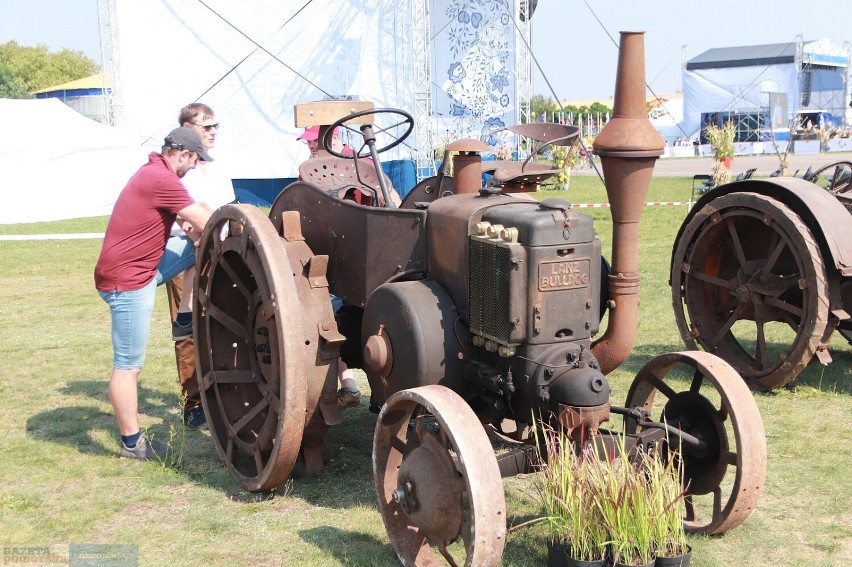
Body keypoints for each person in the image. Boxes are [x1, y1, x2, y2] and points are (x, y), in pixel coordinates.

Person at [95, 127, 214, 460]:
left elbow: (197, 216)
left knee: (197, 245)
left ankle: (185, 317)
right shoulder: (161, 179)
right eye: (194, 160)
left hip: (144, 266)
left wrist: (200, 224)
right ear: (182, 154)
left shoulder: (154, 171)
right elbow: (204, 219)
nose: (193, 166)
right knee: (128, 367)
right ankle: (132, 444)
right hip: (129, 281)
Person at [167, 103, 235, 429]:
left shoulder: (217, 168)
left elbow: (230, 209)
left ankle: (220, 392)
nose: (213, 132)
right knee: (189, 325)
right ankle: (194, 402)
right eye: (206, 126)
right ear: (187, 128)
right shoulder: (178, 169)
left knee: (219, 322)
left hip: (219, 252)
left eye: (215, 126)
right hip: (185, 252)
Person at [298, 125, 363, 409]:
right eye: (309, 142)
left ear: (334, 138)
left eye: (314, 141)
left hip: (339, 261)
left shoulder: (362, 167)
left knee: (323, 321)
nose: (310, 146)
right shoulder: (309, 172)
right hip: (337, 259)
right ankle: (348, 383)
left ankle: (347, 384)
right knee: (329, 321)